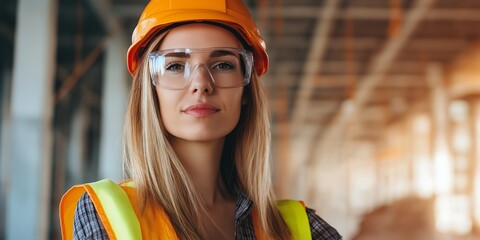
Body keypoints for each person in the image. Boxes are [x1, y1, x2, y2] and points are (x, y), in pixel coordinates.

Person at [59, 0, 342, 239]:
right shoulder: (105, 214)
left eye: (223, 64)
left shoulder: (296, 227)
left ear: (246, 91)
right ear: (150, 90)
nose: (201, 84)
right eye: (175, 66)